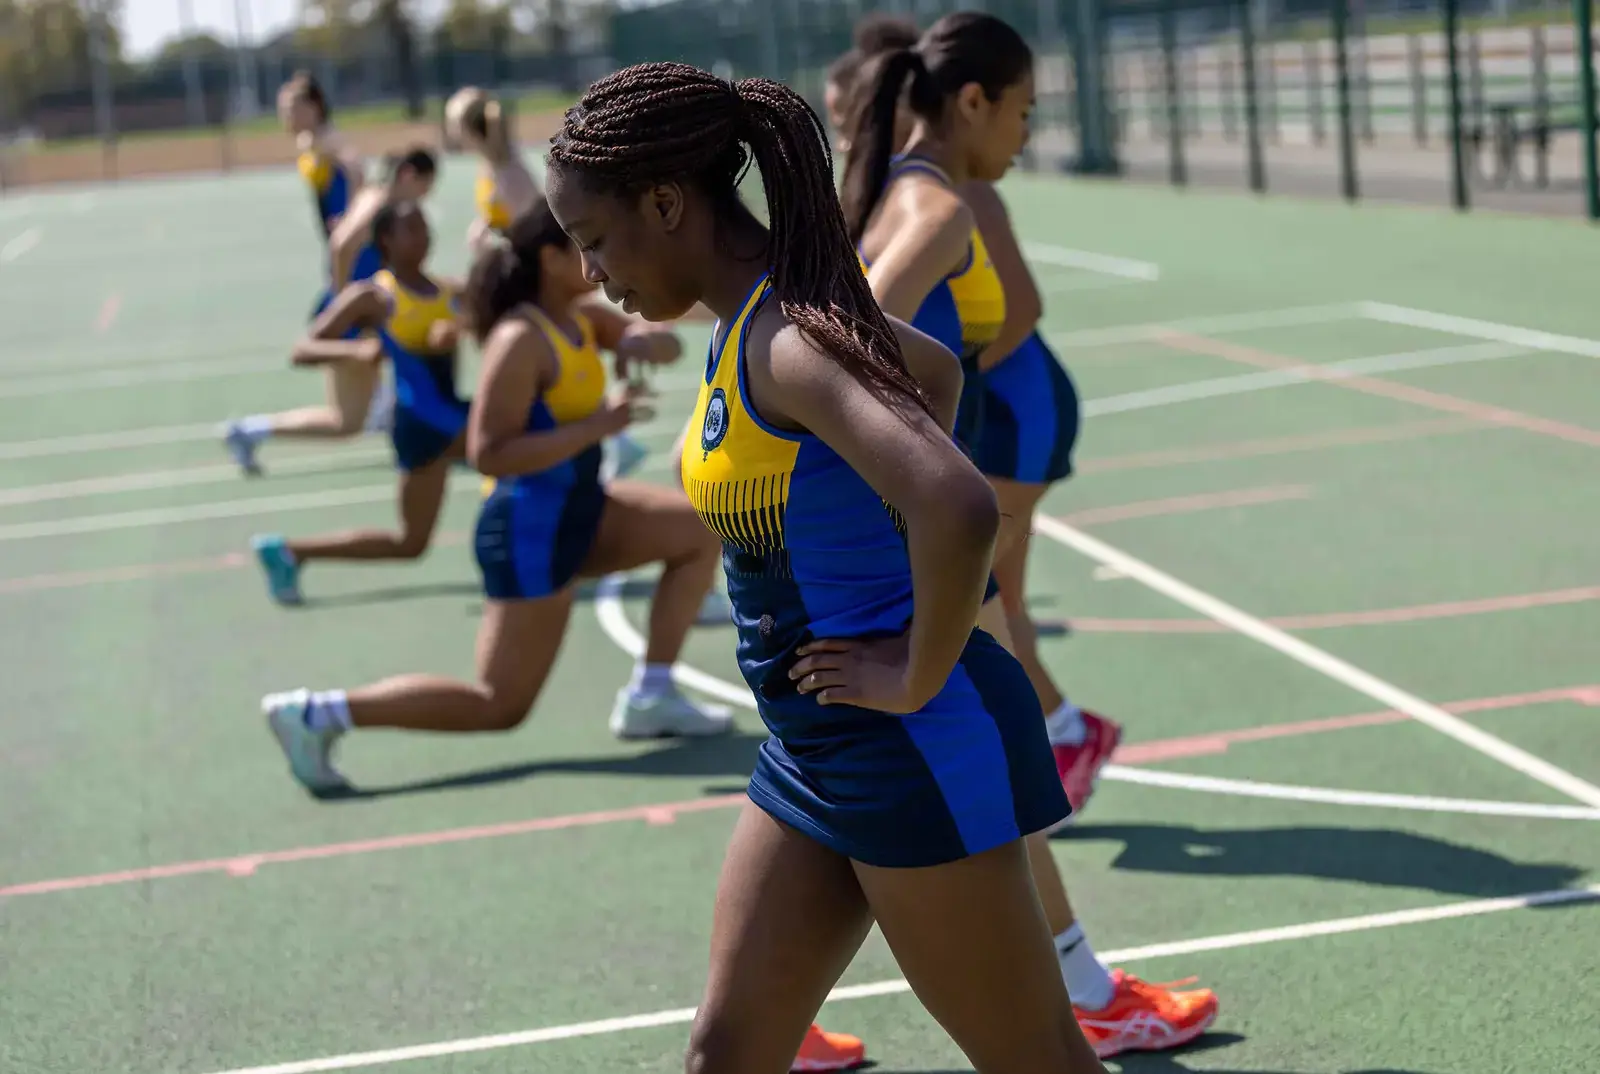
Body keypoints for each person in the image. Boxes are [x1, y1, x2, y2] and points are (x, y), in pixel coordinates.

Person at [544, 60, 1105, 1074]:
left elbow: (959, 503)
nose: (591, 273)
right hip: (811, 745)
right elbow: (931, 372)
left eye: (593, 242)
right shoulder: (755, 321)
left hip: (910, 743)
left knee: (1037, 1064)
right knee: (728, 1052)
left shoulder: (789, 340)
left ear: (666, 202)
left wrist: (914, 669)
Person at [834, 13, 1220, 1059]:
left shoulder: (895, 186)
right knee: (971, 773)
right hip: (905, 539)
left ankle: (761, 1027)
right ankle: (1083, 993)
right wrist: (931, 441)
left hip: (893, 537)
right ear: (972, 103)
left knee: (880, 783)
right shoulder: (936, 202)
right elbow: (853, 339)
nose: (1024, 134)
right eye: (1023, 113)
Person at [259, 202, 735, 798]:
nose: (595, 263)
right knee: (499, 703)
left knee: (699, 529)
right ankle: (319, 714)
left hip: (581, 505)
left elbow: (653, 341)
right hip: (528, 527)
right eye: (581, 248)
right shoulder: (520, 339)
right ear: (548, 259)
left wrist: (642, 346)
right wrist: (597, 426)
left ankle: (653, 693)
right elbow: (490, 453)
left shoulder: (579, 320)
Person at [249, 197, 468, 606]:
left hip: (449, 416)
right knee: (516, 453)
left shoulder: (447, 290)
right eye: (413, 227)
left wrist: (463, 326)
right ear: (386, 239)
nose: (424, 235)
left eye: (426, 226)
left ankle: (291, 551)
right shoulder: (373, 296)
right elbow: (304, 348)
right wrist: (356, 354)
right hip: (420, 424)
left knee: (411, 544)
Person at [446, 85, 650, 481]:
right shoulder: (492, 171)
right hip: (510, 287)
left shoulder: (512, 175)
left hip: (526, 290)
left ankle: (594, 444)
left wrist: (495, 244)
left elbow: (537, 235)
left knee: (543, 375)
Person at [223, 147, 439, 474]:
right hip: (353, 315)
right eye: (426, 186)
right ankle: (249, 431)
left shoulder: (376, 198)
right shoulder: (380, 205)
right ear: (409, 175)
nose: (425, 195)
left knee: (366, 401)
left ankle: (392, 413)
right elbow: (340, 245)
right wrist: (344, 303)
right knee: (347, 420)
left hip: (369, 312)